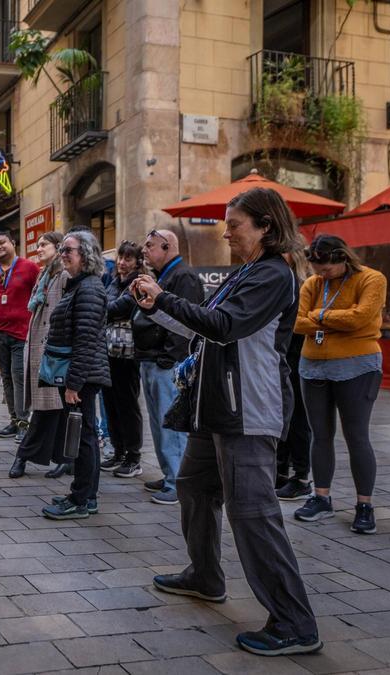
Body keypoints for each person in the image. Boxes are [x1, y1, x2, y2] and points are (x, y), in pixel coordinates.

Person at [133, 187, 321, 657]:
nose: (226, 231)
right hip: (216, 406)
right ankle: (205, 575)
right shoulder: (247, 273)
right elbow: (207, 324)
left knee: (253, 514)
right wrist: (157, 305)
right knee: (195, 486)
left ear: (265, 228)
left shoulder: (275, 274)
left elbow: (224, 327)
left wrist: (164, 299)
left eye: (235, 224)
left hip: (248, 412)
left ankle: (296, 623)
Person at [292, 234, 387, 534]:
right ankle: (320, 497)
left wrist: (319, 316)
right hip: (313, 366)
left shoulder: (372, 279)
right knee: (320, 434)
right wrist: (333, 321)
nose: (321, 274)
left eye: (326, 269)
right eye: (317, 269)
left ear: (342, 258)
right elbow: (295, 322)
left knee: (356, 436)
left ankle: (364, 505)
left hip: (357, 365)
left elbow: (361, 318)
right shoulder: (311, 284)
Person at [40, 231, 111, 520]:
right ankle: (86, 496)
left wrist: (74, 383)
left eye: (68, 250)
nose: (63, 254)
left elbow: (85, 340)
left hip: (81, 375)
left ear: (86, 254)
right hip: (79, 373)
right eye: (63, 250)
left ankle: (81, 499)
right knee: (85, 435)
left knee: (83, 438)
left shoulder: (89, 288)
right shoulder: (79, 285)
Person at [135, 229, 203, 505]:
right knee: (159, 423)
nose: (146, 251)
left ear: (168, 246)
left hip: (166, 362)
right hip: (153, 358)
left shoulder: (183, 276)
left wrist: (170, 356)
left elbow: (186, 318)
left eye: (150, 246)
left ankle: (178, 481)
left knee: (171, 426)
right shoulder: (165, 276)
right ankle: (169, 474)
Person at [12, 232, 70, 479]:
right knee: (51, 409)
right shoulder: (44, 274)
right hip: (40, 348)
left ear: (58, 247)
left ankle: (24, 456)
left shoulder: (64, 275)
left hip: (54, 352)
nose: (39, 249)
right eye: (37, 245)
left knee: (48, 409)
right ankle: (65, 458)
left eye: (43, 244)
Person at [0, 231, 41, 442]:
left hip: (22, 333)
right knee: (5, 376)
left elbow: (39, 296)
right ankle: (14, 420)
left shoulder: (30, 267)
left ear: (13, 243)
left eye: (2, 242)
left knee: (18, 376)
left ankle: (24, 422)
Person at [100, 240, 146, 480]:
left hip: (128, 354)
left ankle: (133, 457)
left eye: (128, 259)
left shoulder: (138, 284)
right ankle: (118, 451)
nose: (122, 263)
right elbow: (108, 306)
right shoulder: (114, 281)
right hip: (109, 351)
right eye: (120, 258)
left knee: (127, 404)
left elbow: (116, 308)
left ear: (138, 262)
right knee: (111, 404)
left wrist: (105, 308)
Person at [275, 252, 314, 500]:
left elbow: (303, 322)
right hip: (283, 355)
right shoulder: (282, 279)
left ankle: (301, 477)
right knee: (282, 415)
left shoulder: (305, 284)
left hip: (300, 355)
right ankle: (280, 469)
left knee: (298, 417)